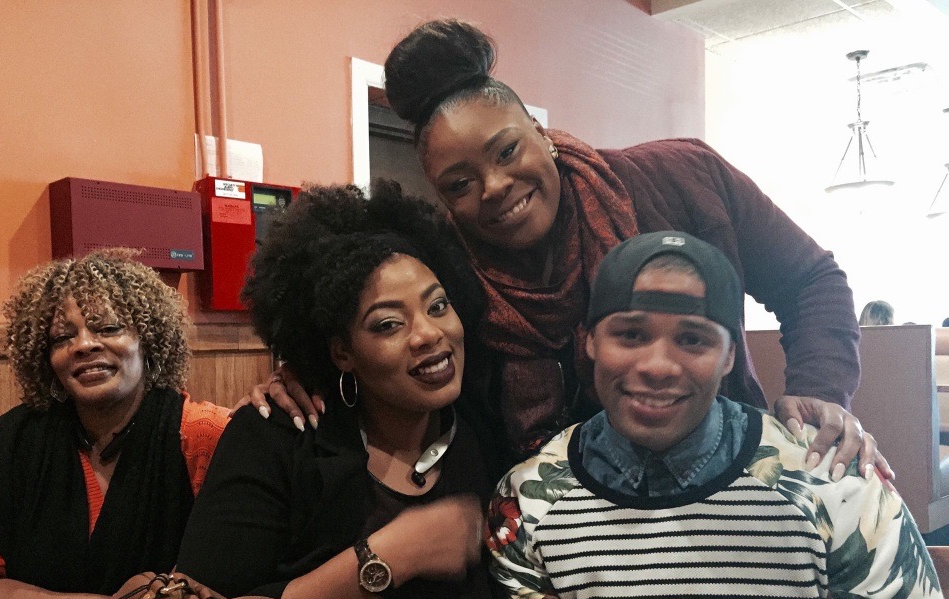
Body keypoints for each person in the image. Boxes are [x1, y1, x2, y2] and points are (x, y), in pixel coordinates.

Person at [260, 19, 889, 487]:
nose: (496, 188)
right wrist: (305, 372)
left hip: (726, 487)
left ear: (540, 132)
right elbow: (387, 352)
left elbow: (812, 280)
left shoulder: (683, 179)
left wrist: (821, 388)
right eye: (460, 183)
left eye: (507, 151)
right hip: (557, 529)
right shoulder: (446, 276)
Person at [487, 230, 949, 599]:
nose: (658, 365)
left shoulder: (833, 480)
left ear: (731, 354)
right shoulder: (529, 505)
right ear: (588, 340)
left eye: (693, 340)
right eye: (630, 334)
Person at [175, 181, 522, 599]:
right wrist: (391, 555)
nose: (429, 333)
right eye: (388, 324)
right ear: (340, 351)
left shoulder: (487, 431)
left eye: (438, 305)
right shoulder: (279, 439)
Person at [0, 250, 230, 599]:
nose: (84, 345)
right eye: (63, 337)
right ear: (46, 358)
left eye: (107, 328)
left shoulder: (202, 435)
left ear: (149, 341)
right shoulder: (14, 443)